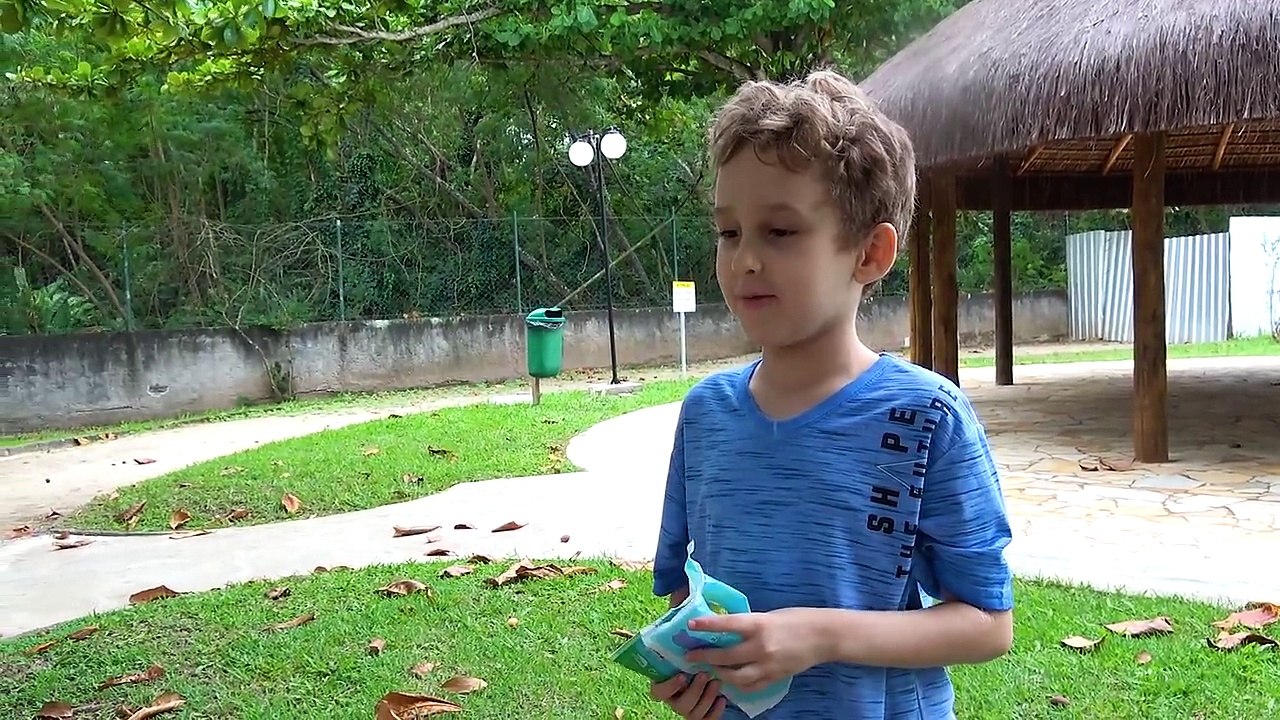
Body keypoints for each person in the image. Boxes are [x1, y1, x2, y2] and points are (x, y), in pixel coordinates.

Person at [647, 68, 1015, 720]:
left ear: (869, 254)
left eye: (779, 231)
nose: (745, 260)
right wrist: (691, 671)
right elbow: (690, 599)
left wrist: (817, 635)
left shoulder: (926, 418)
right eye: (729, 232)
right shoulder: (705, 414)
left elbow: (987, 623)